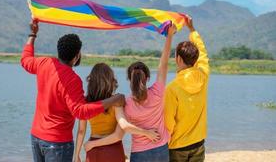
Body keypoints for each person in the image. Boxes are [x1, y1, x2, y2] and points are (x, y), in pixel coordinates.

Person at [20, 20, 125, 162]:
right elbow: (80, 111)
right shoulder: (72, 79)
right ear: (76, 56)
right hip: (57, 143)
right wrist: (114, 99)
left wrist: (33, 34)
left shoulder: (44, 63)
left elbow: (25, 60)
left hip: (36, 137)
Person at [85, 24, 176, 162]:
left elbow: (125, 127)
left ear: (129, 79)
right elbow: (163, 65)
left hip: (140, 153)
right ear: (147, 78)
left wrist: (145, 133)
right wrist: (169, 36)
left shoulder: (126, 102)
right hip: (160, 148)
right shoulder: (158, 92)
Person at [73, 63, 160, 162]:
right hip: (113, 149)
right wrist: (147, 133)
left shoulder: (85, 103)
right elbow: (120, 133)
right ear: (111, 81)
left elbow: (81, 131)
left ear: (91, 81)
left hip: (93, 149)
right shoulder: (116, 101)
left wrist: (77, 155)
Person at [164, 17, 210, 162]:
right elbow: (202, 52)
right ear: (195, 59)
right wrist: (192, 30)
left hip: (178, 146)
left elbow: (168, 122)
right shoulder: (204, 74)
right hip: (199, 142)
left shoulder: (172, 88)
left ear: (178, 59)